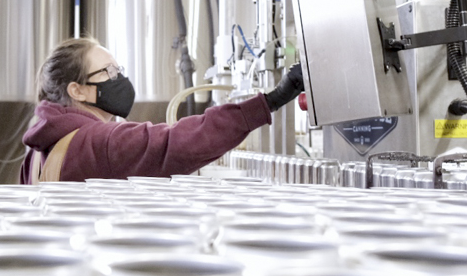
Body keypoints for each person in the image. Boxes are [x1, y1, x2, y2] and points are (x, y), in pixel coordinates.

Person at [20, 37, 305, 183]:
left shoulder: (36, 153)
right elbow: (177, 143)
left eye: (119, 70)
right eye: (109, 71)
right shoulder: (97, 141)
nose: (120, 78)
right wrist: (271, 100)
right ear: (77, 90)